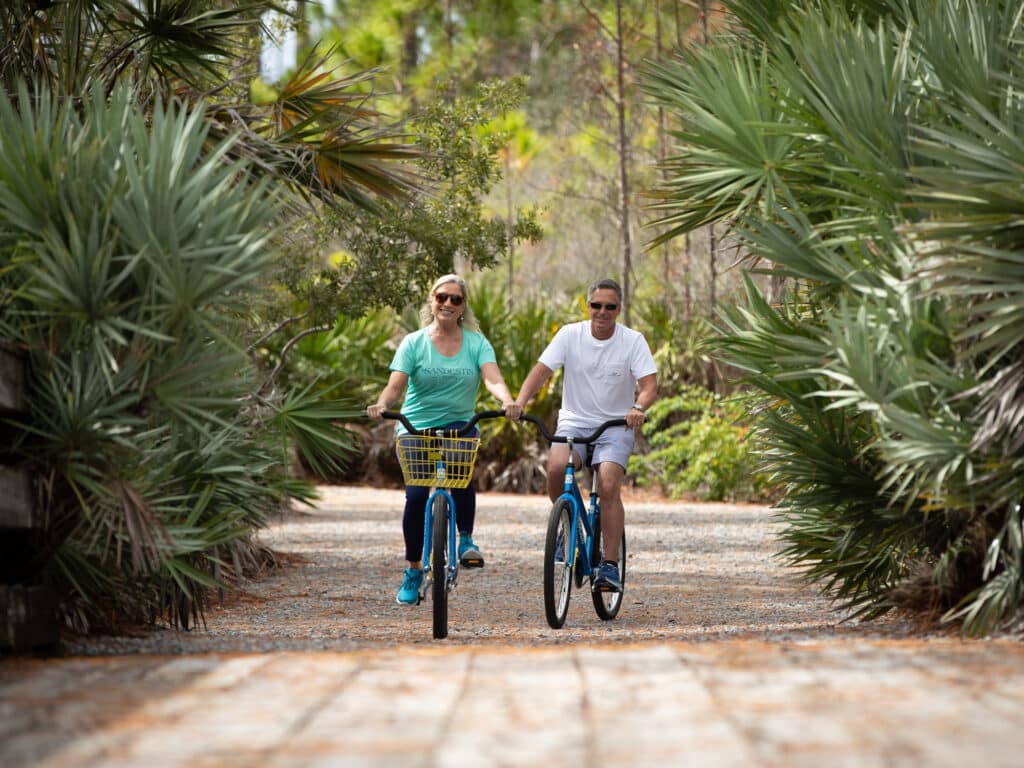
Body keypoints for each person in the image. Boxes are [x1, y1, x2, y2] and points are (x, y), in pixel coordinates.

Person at [367, 274, 521, 605]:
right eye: (441, 297)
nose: (447, 304)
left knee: (460, 470)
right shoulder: (414, 342)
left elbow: (492, 378)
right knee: (417, 495)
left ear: (464, 306)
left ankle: (465, 539)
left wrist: (506, 401)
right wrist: (383, 404)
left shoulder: (477, 343)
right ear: (431, 301)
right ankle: (413, 569)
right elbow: (396, 384)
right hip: (416, 425)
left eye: (455, 299)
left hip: (458, 423)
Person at [513, 278, 657, 593]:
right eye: (596, 305)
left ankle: (609, 565)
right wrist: (520, 402)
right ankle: (567, 526)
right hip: (575, 423)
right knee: (554, 468)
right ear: (587, 305)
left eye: (610, 306)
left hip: (616, 426)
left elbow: (649, 384)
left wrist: (637, 407)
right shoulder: (570, 335)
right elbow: (541, 372)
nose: (602, 312)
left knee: (607, 484)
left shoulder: (632, 341)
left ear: (619, 309)